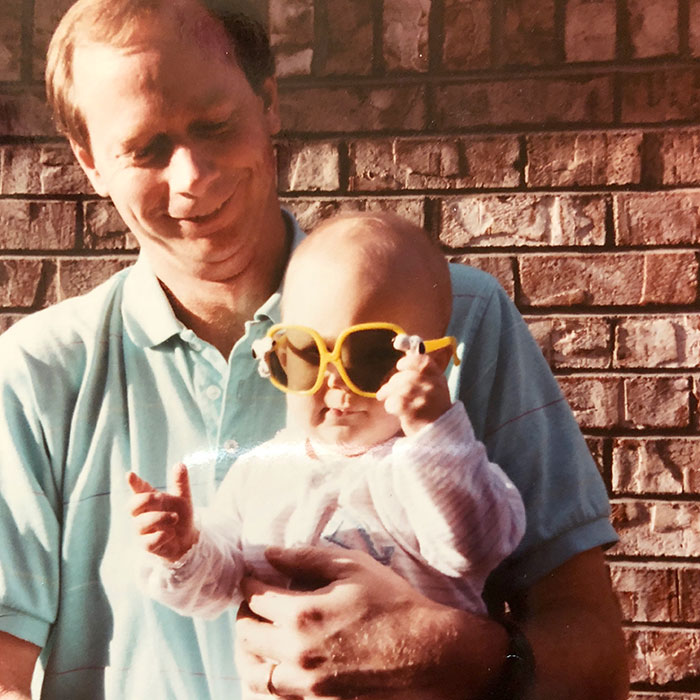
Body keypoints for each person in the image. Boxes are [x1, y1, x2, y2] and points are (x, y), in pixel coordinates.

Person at [0, 0, 628, 698]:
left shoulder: (457, 319)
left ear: (268, 102)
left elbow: (597, 657)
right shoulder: (34, 376)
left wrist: (462, 656)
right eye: (145, 149)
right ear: (88, 162)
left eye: (215, 125)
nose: (193, 176)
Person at [127, 213, 527, 629]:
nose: (334, 381)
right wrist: (184, 548)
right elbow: (215, 588)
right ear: (277, 356)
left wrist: (436, 432)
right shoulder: (262, 472)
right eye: (306, 353)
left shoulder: (446, 468)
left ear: (433, 365)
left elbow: (471, 549)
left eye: (371, 355)